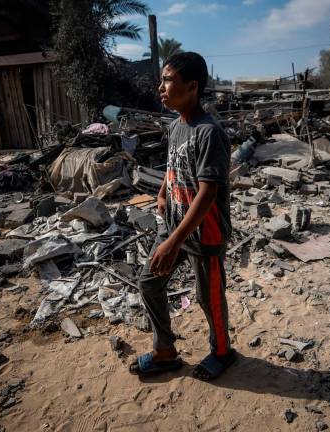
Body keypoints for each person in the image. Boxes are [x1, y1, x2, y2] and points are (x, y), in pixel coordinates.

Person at [129, 52, 236, 380]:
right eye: (162, 80)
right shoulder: (176, 127)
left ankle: (222, 351)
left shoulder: (210, 132)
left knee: (208, 298)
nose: (161, 87)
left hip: (206, 234)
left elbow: (207, 195)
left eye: (168, 80)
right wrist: (162, 192)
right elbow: (174, 166)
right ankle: (165, 351)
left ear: (191, 87)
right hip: (175, 224)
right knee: (149, 283)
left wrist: (174, 242)